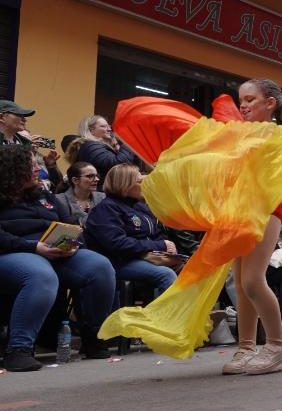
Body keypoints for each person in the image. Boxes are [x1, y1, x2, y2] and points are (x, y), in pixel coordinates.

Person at [0, 145, 117, 370]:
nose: (38, 169)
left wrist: (72, 244)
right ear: (12, 169)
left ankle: (93, 338)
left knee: (100, 266)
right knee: (40, 275)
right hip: (15, 252)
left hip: (55, 251)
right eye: (31, 165)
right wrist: (34, 246)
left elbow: (69, 223)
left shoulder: (44, 194)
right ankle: (19, 349)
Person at [220, 78, 282, 375]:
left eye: (250, 99)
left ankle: (278, 343)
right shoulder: (239, 134)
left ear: (270, 103)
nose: (243, 105)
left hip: (265, 209)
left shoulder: (278, 135)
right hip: (236, 209)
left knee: (253, 279)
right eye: (241, 100)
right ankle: (246, 347)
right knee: (239, 283)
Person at [84, 163, 178, 295]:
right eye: (140, 181)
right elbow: (117, 243)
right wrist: (160, 245)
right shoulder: (106, 208)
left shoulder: (139, 207)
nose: (144, 185)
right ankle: (163, 316)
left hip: (144, 257)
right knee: (166, 275)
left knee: (192, 269)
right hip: (118, 262)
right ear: (125, 184)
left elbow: (156, 233)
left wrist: (168, 247)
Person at [71, 115, 149, 189]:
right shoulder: (91, 146)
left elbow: (130, 165)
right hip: (102, 193)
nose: (109, 129)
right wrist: (128, 142)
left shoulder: (100, 146)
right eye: (103, 126)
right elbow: (118, 164)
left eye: (108, 126)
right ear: (91, 131)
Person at [0, 100, 62, 190]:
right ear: (2, 117)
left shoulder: (25, 143)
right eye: (19, 115)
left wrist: (50, 165)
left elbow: (55, 184)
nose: (25, 119)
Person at [53, 162, 106, 227]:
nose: (97, 179)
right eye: (90, 176)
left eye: (96, 176)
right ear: (75, 180)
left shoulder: (103, 197)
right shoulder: (59, 200)